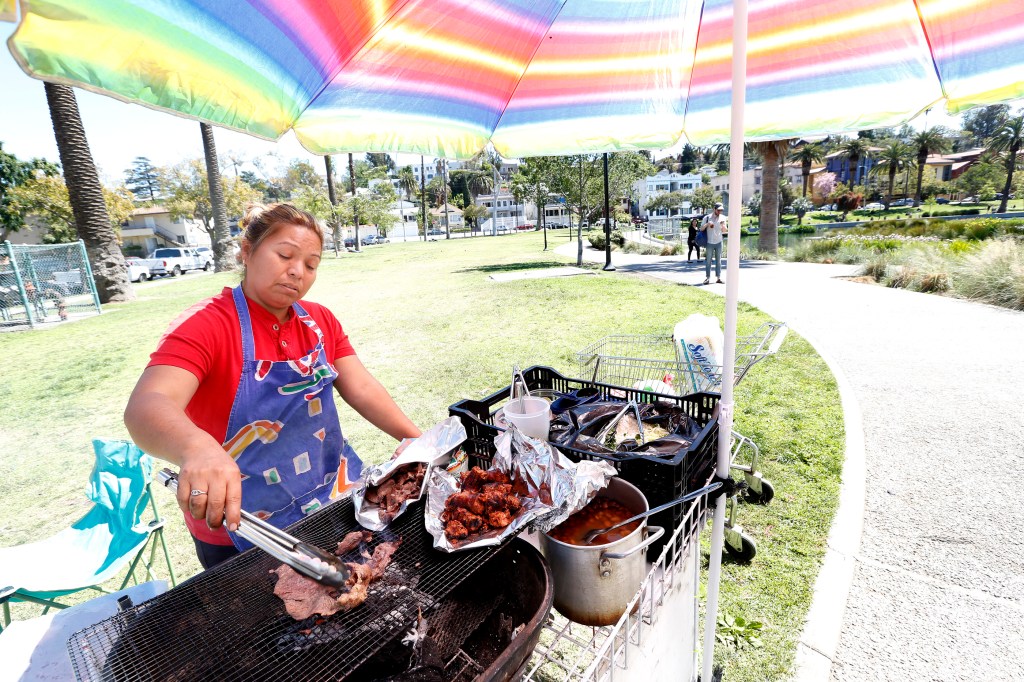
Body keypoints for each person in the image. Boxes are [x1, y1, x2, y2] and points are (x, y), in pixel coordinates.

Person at [124, 203, 421, 569]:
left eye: (311, 265)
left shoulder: (320, 320)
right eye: (285, 255)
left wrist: (417, 441)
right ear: (247, 252)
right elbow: (148, 404)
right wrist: (197, 448)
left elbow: (359, 387)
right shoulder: (206, 325)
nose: (297, 271)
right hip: (242, 525)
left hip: (329, 497)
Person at [699, 202, 728, 285]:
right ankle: (707, 278)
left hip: (719, 241)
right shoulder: (707, 217)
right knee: (708, 261)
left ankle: (718, 278)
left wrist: (723, 225)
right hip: (709, 242)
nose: (720, 212)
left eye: (721, 210)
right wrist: (707, 224)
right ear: (714, 209)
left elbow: (724, 230)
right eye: (718, 210)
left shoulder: (723, 217)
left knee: (719, 261)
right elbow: (701, 229)